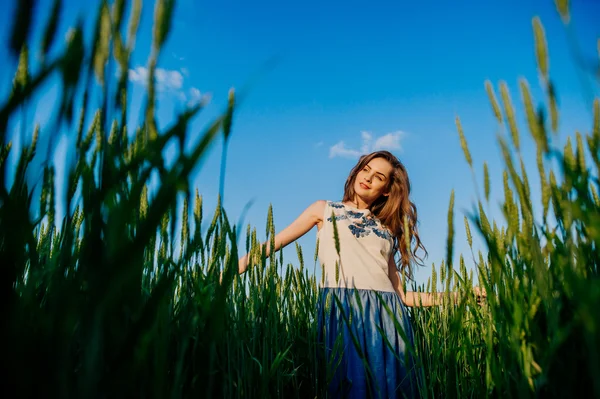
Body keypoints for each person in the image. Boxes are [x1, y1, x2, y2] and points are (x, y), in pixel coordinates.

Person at [237, 150, 485, 398]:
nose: (367, 178)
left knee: (388, 389)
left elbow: (404, 296)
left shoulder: (386, 228)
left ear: (387, 189)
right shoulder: (324, 209)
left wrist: (461, 296)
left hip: (387, 315)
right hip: (342, 309)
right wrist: (226, 274)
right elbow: (272, 244)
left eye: (378, 177)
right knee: (345, 387)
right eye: (365, 169)